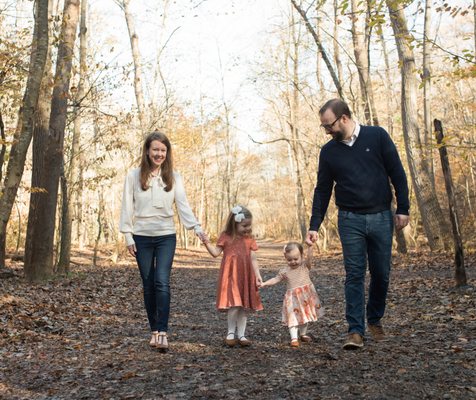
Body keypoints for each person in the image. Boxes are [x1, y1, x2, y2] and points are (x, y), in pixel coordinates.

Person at [306, 98, 410, 350]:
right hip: (349, 219)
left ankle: (374, 318)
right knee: (354, 274)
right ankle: (355, 331)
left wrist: (404, 209)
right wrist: (314, 225)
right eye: (324, 128)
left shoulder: (377, 136)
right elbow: (322, 190)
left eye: (328, 125)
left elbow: (397, 172)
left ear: (344, 118)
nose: (327, 131)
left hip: (381, 217)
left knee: (381, 274)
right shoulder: (329, 151)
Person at [119, 131, 204, 352]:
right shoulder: (134, 176)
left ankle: (163, 331)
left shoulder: (174, 177)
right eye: (155, 149)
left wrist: (196, 228)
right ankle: (154, 332)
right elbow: (127, 206)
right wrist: (128, 235)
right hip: (142, 236)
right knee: (148, 285)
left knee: (161, 282)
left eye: (163, 150)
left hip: (166, 235)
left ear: (167, 153)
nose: (159, 154)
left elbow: (182, 205)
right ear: (147, 151)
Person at [200, 205, 263, 347]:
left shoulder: (249, 239)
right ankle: (230, 332)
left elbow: (253, 258)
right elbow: (215, 253)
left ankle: (241, 334)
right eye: (244, 225)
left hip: (246, 275)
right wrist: (206, 242)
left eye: (249, 225)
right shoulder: (226, 236)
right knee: (235, 304)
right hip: (231, 276)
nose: (247, 228)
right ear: (235, 224)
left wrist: (257, 275)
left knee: (243, 306)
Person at [261, 242, 324, 347]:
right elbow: (275, 279)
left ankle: (303, 334)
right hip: (293, 298)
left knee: (305, 315)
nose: (293, 262)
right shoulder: (285, 271)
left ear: (301, 256)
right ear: (286, 258)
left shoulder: (304, 266)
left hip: (305, 296)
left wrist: (310, 247)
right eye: (289, 260)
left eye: (296, 259)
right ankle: (294, 337)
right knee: (293, 317)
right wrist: (265, 283)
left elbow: (309, 258)